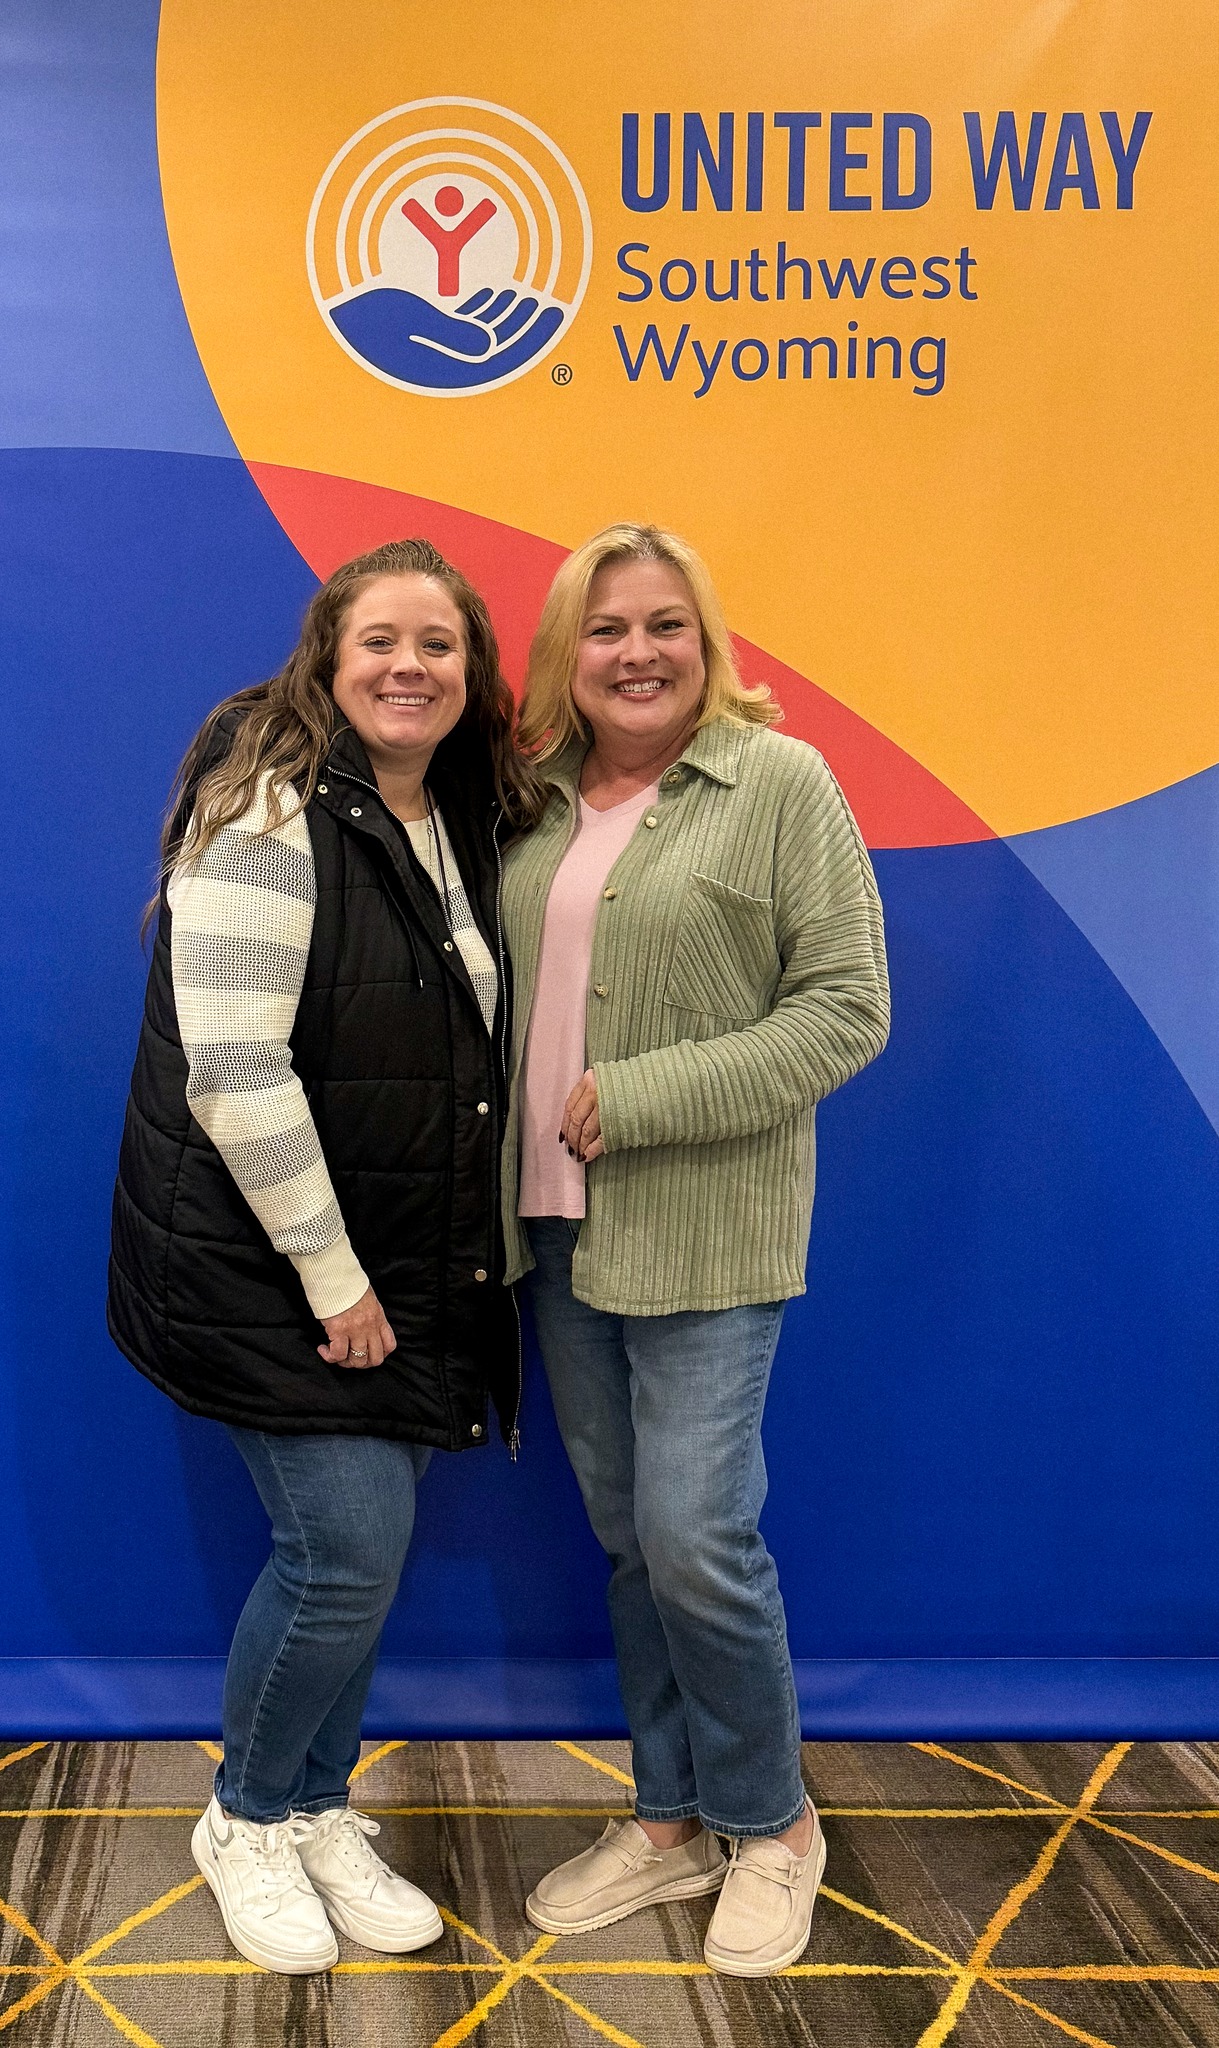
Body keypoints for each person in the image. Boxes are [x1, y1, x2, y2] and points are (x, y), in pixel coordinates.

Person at [108, 538, 545, 1975]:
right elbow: (233, 1071)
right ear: (328, 658)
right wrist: (334, 1278)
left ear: (473, 673)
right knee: (341, 1554)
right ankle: (242, 1816)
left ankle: (313, 1806)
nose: (409, 667)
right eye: (381, 642)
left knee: (365, 1555)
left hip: (411, 1265)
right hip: (285, 1271)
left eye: (440, 644)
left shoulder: (449, 814)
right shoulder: (272, 807)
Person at [500, 523, 889, 1975]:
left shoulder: (779, 784)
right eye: (606, 630)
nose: (638, 652)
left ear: (707, 641)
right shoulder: (532, 803)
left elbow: (848, 1008)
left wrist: (646, 1097)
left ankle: (773, 1824)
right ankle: (668, 1823)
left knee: (696, 1539)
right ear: (565, 654)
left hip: (710, 1229)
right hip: (551, 1232)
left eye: (666, 624)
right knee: (626, 1542)